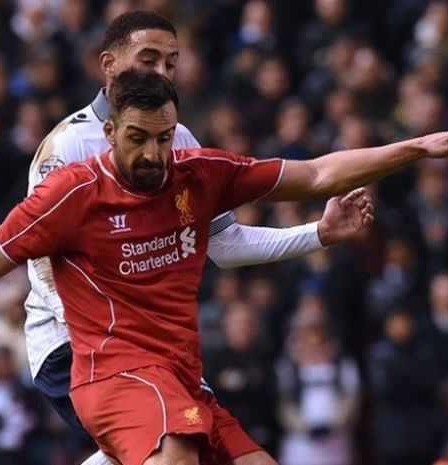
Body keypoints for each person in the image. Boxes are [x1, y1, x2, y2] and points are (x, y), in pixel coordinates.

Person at [0, 69, 448, 465]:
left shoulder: (199, 174)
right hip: (111, 373)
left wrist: (418, 148)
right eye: (138, 138)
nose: (153, 153)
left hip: (181, 376)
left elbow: (318, 173)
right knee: (175, 457)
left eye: (163, 137)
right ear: (110, 132)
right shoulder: (71, 193)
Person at [24, 11, 373, 464]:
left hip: (153, 348)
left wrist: (318, 233)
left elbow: (224, 245)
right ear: (109, 65)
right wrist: (109, 336)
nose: (163, 73)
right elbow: (39, 261)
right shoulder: (68, 145)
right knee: (173, 450)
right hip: (74, 344)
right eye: (149, 60)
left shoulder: (180, 139)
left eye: (172, 63)